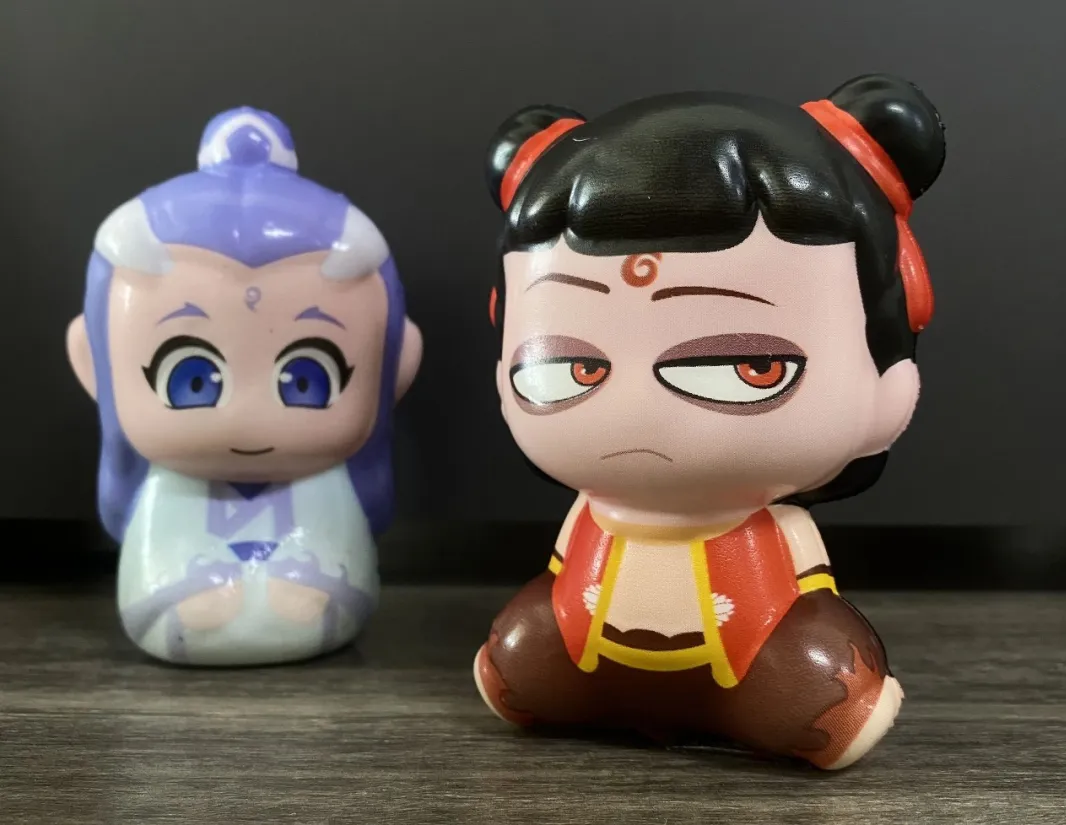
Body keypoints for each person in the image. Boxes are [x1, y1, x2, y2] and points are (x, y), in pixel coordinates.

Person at [475, 74, 945, 769]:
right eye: (570, 367)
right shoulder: (591, 515)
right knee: (524, 653)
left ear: (887, 378)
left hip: (750, 650)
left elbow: (802, 590)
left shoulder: (769, 527)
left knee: (814, 679)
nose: (633, 407)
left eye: (744, 365)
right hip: (586, 642)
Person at [67, 107, 422, 665]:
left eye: (305, 380)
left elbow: (339, 558)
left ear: (395, 364)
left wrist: (311, 587)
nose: (247, 415)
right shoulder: (166, 487)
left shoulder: (328, 484)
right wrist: (187, 592)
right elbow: (154, 566)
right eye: (191, 380)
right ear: (95, 362)